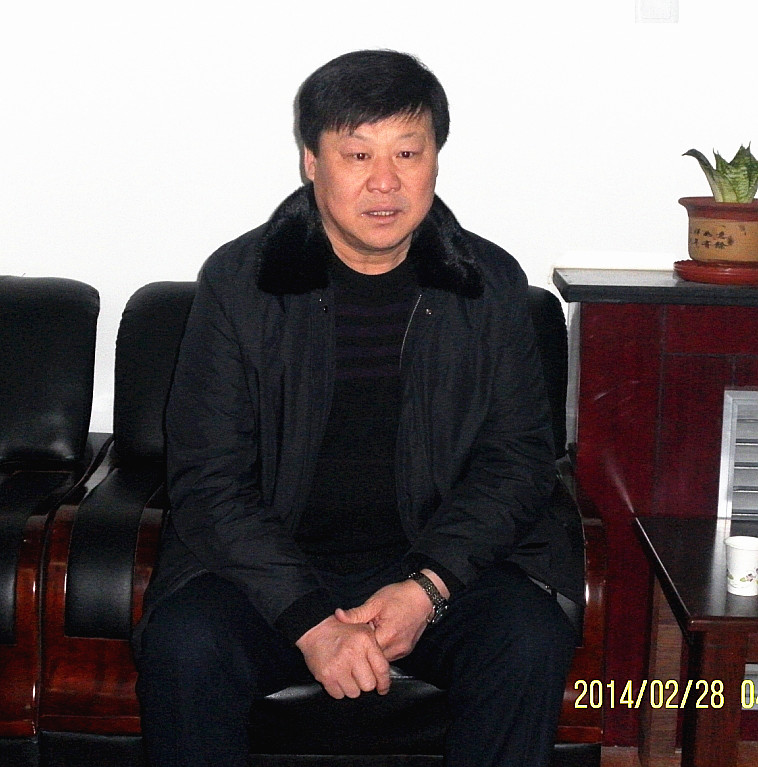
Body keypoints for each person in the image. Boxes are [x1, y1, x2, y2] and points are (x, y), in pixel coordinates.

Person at [134, 49, 581, 767]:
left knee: (526, 637)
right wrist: (311, 621)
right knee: (185, 643)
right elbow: (209, 479)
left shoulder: (488, 285)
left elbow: (519, 463)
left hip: (435, 567)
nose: (385, 180)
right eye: (357, 153)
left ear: (435, 159)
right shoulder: (242, 285)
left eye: (408, 151)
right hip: (271, 572)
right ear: (311, 162)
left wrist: (426, 588)